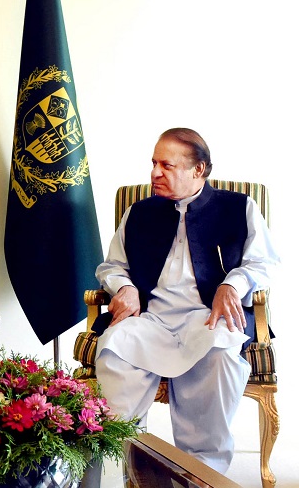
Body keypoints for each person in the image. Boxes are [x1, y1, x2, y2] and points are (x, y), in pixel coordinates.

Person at [92, 127, 279, 473]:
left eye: (167, 165)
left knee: (222, 352)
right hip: (151, 320)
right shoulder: (139, 212)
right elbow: (112, 265)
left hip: (207, 319)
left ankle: (203, 472)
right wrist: (124, 288)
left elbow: (263, 262)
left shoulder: (240, 208)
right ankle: (131, 466)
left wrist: (233, 285)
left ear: (199, 169)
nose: (154, 173)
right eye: (153, 163)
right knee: (115, 346)